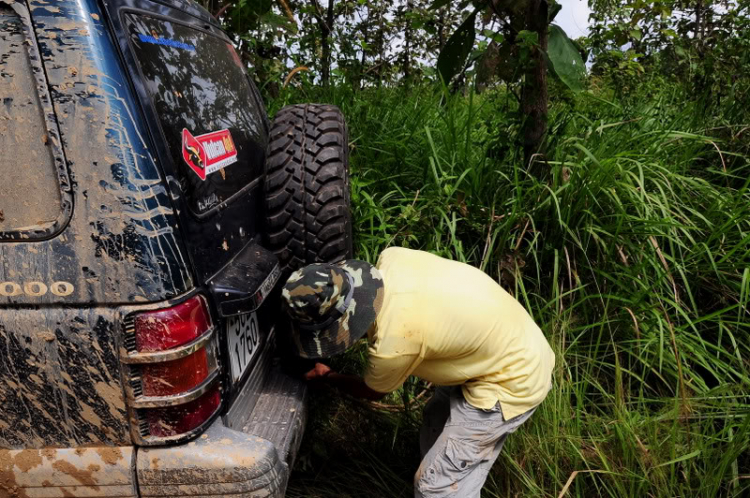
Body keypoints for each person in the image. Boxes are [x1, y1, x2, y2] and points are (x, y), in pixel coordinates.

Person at [281, 247, 555, 497]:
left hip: (512, 378)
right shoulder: (392, 258)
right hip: (501, 341)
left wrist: (328, 377)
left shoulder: (393, 343)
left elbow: (371, 391)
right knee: (437, 419)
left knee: (434, 488)